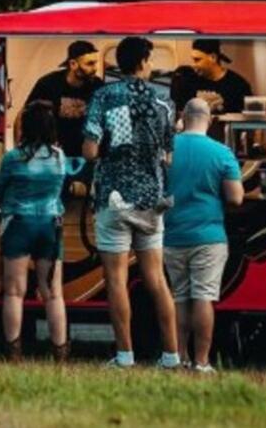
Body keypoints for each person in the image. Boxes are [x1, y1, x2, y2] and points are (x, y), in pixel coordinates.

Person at [82, 36, 181, 369]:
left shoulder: (104, 97)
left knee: (116, 280)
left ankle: (124, 356)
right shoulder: (165, 101)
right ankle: (171, 355)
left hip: (114, 197)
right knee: (156, 279)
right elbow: (168, 154)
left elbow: (90, 150)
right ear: (143, 61)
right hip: (152, 200)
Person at [0, 101, 77, 362]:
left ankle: (14, 353)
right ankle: (60, 353)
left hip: (19, 224)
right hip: (50, 225)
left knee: (15, 292)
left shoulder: (12, 158)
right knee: (53, 293)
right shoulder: (59, 157)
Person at [164, 98, 244, 372]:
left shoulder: (167, 149)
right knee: (204, 296)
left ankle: (179, 357)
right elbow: (236, 198)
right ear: (209, 120)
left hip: (171, 235)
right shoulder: (222, 152)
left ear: (182, 117)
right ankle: (201, 361)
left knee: (179, 297)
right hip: (209, 235)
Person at [20, 41, 104, 159]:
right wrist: (21, 151)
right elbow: (23, 116)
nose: (95, 68)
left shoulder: (98, 86)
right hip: (52, 156)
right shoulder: (48, 84)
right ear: (73, 64)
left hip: (85, 156)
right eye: (90, 64)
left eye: (96, 63)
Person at [171, 39, 253, 114]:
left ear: (213, 58)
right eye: (193, 60)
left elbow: (248, 120)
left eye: (197, 60)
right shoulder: (189, 80)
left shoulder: (238, 85)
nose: (194, 65)